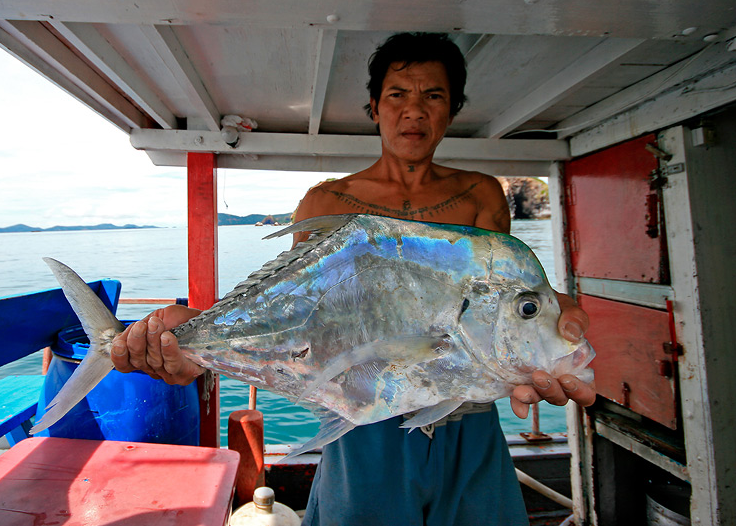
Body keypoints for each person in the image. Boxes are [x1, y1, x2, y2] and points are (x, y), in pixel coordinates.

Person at [110, 32, 595, 525]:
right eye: (397, 95)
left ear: (452, 110)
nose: (414, 111)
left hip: (468, 418)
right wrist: (198, 336)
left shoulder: (481, 194)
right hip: (362, 419)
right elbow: (296, 318)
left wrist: (552, 317)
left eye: (433, 96)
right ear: (374, 107)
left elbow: (499, 300)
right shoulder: (327, 203)